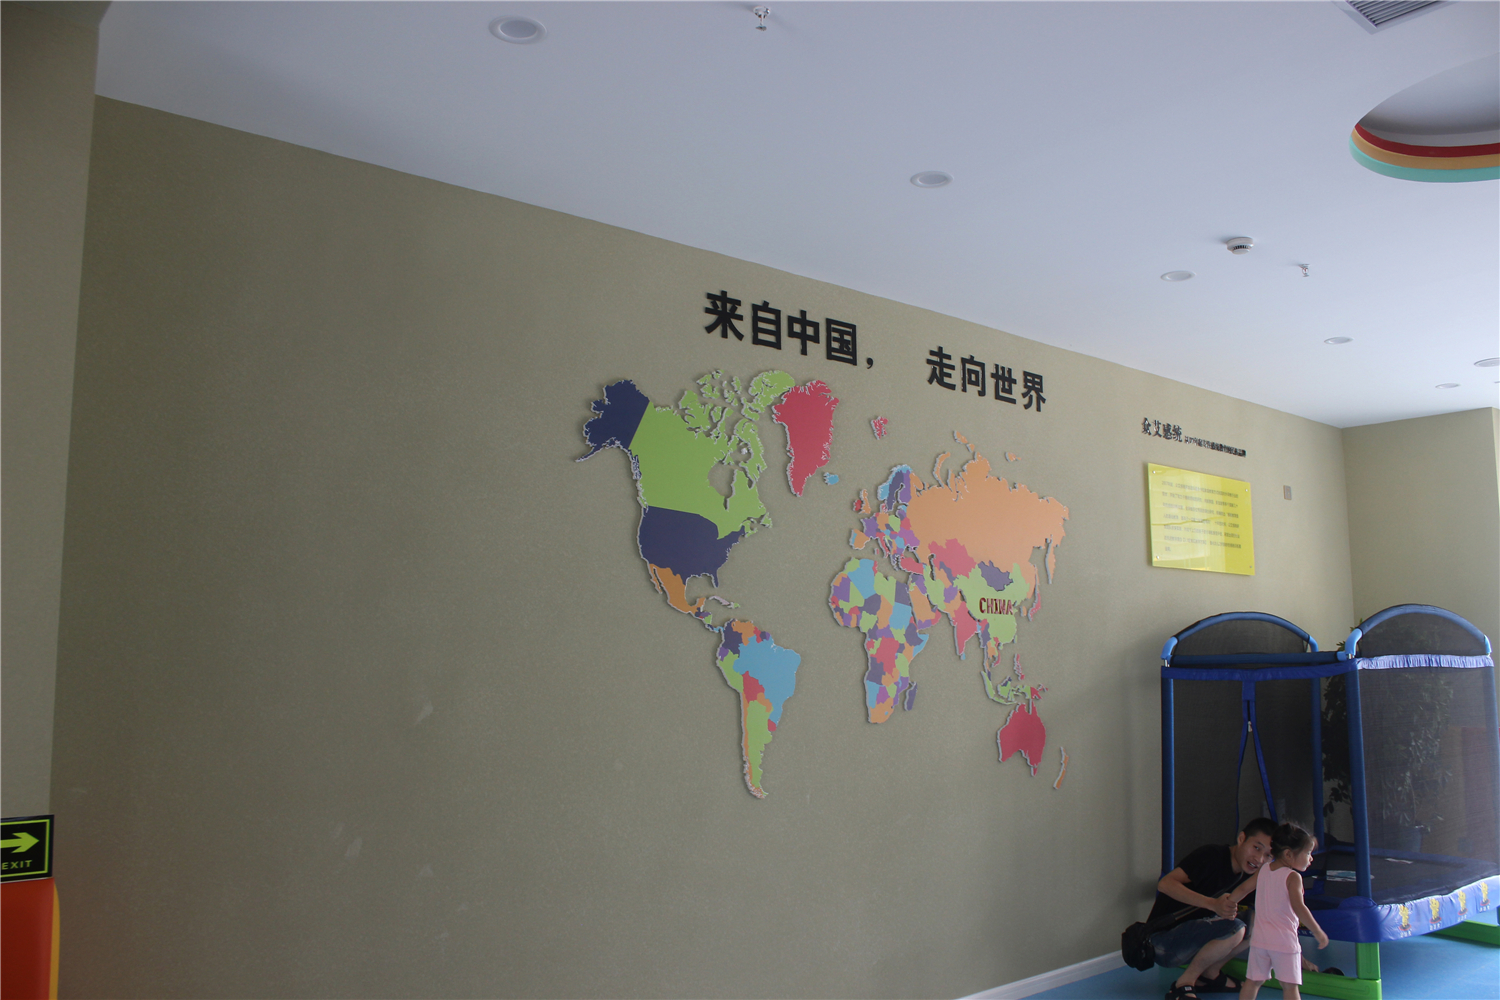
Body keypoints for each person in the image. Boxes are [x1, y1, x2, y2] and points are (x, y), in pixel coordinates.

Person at [1151, 817, 1275, 1000]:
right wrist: (1212, 904)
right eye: (1256, 848)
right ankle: (1184, 983)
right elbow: (1165, 884)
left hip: (1194, 936)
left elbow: (1266, 918)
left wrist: (1296, 957)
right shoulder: (1212, 856)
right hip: (1162, 942)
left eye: (1268, 855)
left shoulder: (1250, 876)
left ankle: (1210, 974)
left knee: (1258, 924)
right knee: (1235, 928)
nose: (1259, 859)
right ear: (1241, 838)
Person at [1228, 821, 1330, 1000]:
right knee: (1290, 987)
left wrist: (1229, 903)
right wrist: (1317, 931)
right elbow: (1299, 907)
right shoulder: (1293, 877)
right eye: (1308, 853)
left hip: (1260, 941)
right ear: (1288, 854)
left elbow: (1243, 889)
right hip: (1284, 943)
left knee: (1253, 981)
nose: (1311, 858)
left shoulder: (1264, 870)